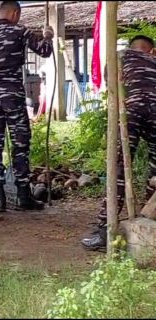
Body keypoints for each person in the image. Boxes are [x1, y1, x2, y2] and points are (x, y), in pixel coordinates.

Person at [0, 0, 54, 219]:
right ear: (15, 13)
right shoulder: (21, 31)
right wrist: (48, 36)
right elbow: (45, 51)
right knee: (20, 144)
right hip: (13, 97)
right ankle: (22, 196)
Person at [82, 35, 156, 251]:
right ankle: (148, 219)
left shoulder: (120, 57)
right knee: (155, 173)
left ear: (131, 47)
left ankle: (106, 231)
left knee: (118, 171)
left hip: (130, 111)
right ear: (151, 51)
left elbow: (112, 89)